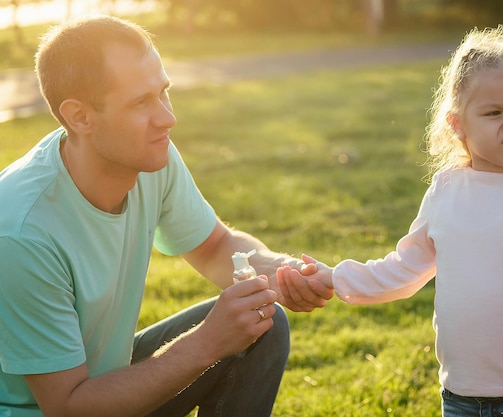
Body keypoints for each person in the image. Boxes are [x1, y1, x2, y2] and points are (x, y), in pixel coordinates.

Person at [278, 25, 503, 417]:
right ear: (458, 124)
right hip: (459, 396)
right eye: (494, 113)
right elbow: (404, 269)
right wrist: (335, 277)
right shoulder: (446, 190)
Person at [0, 15, 331, 417]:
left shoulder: (147, 156)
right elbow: (69, 406)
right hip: (57, 406)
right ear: (80, 117)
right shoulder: (20, 232)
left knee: (262, 323)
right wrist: (208, 343)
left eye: (163, 93)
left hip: (104, 379)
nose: (167, 118)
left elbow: (216, 247)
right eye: (141, 102)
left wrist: (283, 271)